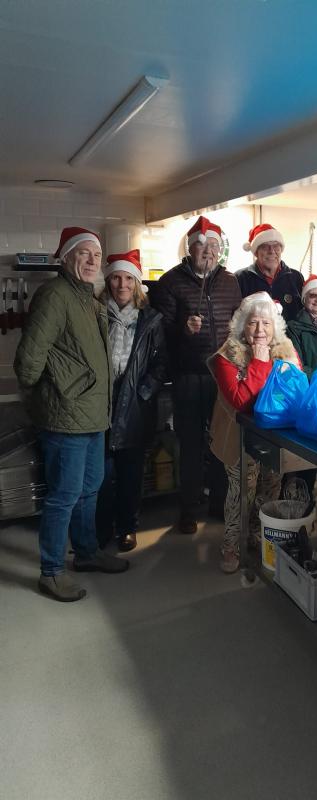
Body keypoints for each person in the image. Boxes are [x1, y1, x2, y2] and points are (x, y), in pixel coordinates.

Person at [13, 226, 129, 602]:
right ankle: (51, 571)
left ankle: (86, 552)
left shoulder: (88, 298)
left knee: (89, 490)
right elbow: (28, 362)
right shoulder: (54, 295)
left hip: (93, 415)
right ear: (65, 258)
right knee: (64, 495)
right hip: (66, 417)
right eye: (84, 253)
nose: (93, 260)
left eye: (96, 254)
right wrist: (49, 395)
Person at [153, 216, 241, 534]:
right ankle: (188, 508)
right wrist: (183, 329)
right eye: (202, 246)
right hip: (189, 376)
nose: (208, 251)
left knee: (220, 443)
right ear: (190, 249)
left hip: (223, 378)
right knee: (190, 445)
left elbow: (238, 324)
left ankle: (218, 502)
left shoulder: (230, 281)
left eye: (214, 246)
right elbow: (159, 332)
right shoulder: (170, 282)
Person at [208, 292, 301, 573]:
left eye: (266, 324)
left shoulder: (286, 350)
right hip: (238, 437)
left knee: (270, 489)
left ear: (275, 328)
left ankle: (260, 536)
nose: (260, 331)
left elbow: (294, 391)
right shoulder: (229, 355)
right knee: (242, 492)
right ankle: (232, 544)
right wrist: (259, 364)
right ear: (242, 325)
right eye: (253, 323)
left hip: (275, 437)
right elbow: (241, 401)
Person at [95, 249, 169, 552]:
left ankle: (127, 528)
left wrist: (142, 393)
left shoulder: (151, 320)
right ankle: (101, 529)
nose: (122, 284)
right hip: (101, 406)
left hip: (136, 410)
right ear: (109, 282)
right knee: (100, 476)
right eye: (116, 278)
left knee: (131, 474)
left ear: (137, 284)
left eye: (128, 278)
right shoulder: (96, 314)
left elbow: (161, 364)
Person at [236, 223, 303, 322]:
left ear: (281, 250)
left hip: (290, 337)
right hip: (256, 336)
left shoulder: (296, 277)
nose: (271, 251)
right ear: (256, 252)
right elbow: (236, 317)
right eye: (265, 247)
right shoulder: (240, 278)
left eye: (276, 246)